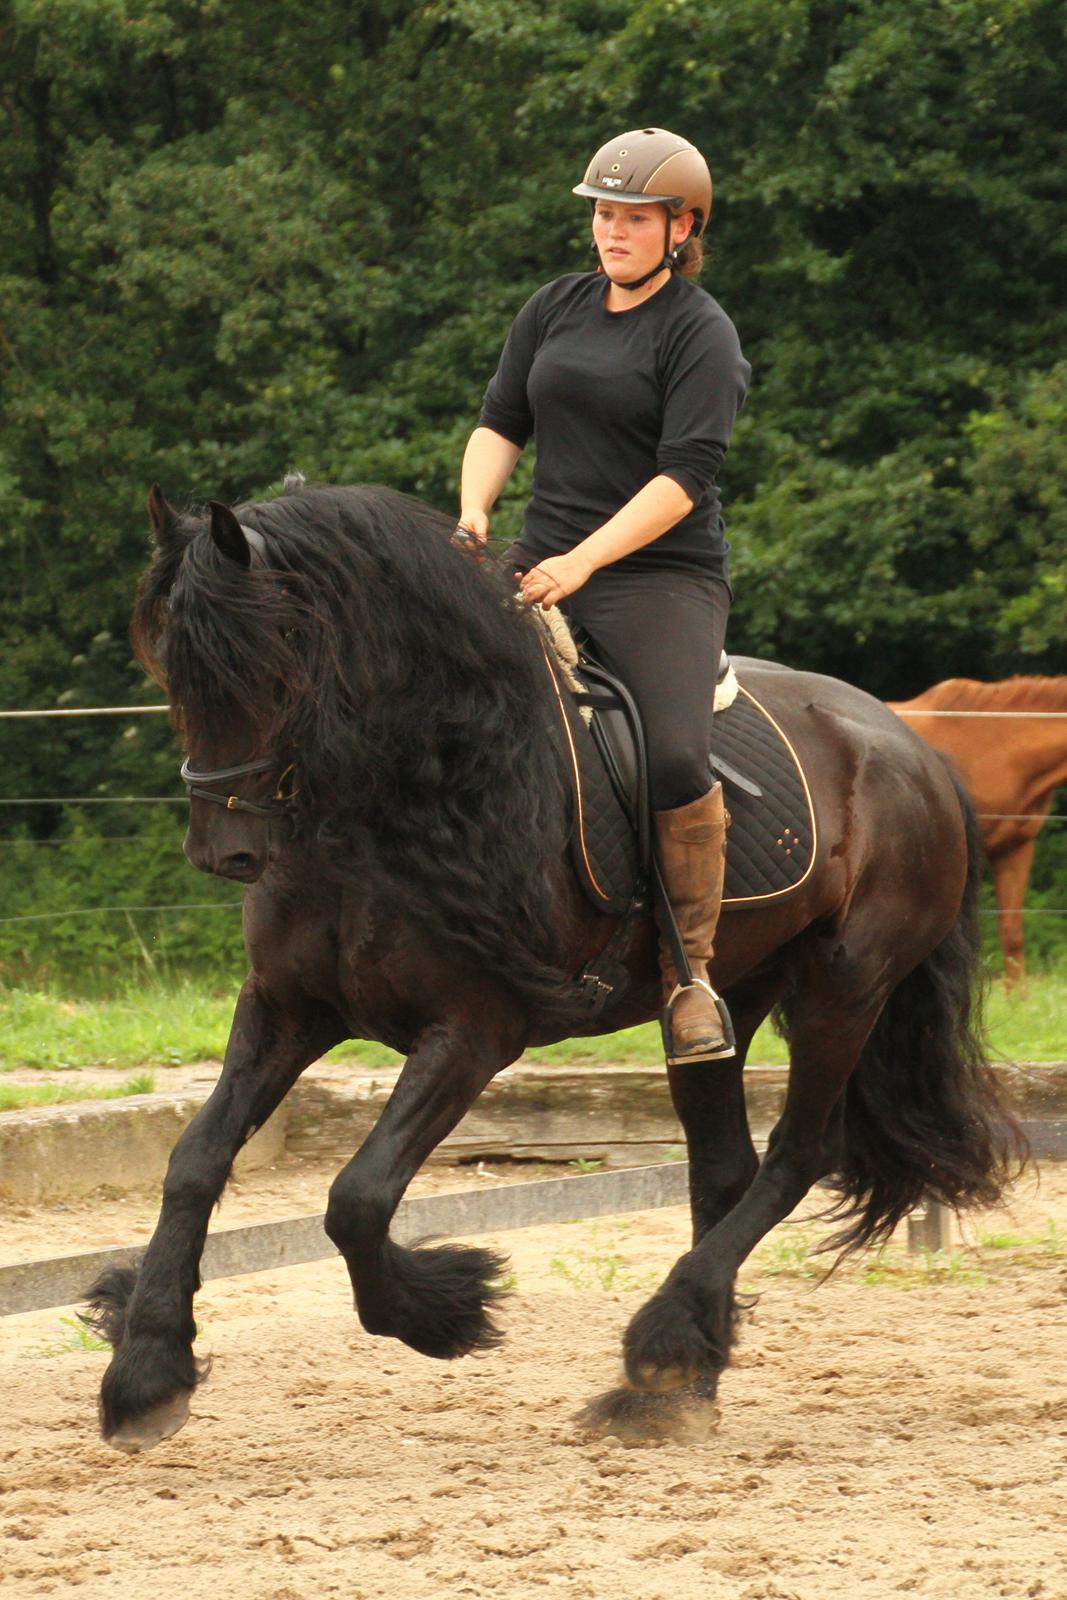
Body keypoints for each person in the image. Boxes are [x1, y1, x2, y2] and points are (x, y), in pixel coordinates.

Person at [458, 128, 750, 1063]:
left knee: (672, 755)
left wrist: (582, 563)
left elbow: (683, 479)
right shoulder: (553, 307)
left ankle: (689, 975)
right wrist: (474, 511)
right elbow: (500, 421)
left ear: (682, 228)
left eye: (633, 218)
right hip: (538, 557)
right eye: (603, 215)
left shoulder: (699, 333)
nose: (612, 232)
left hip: (658, 576)